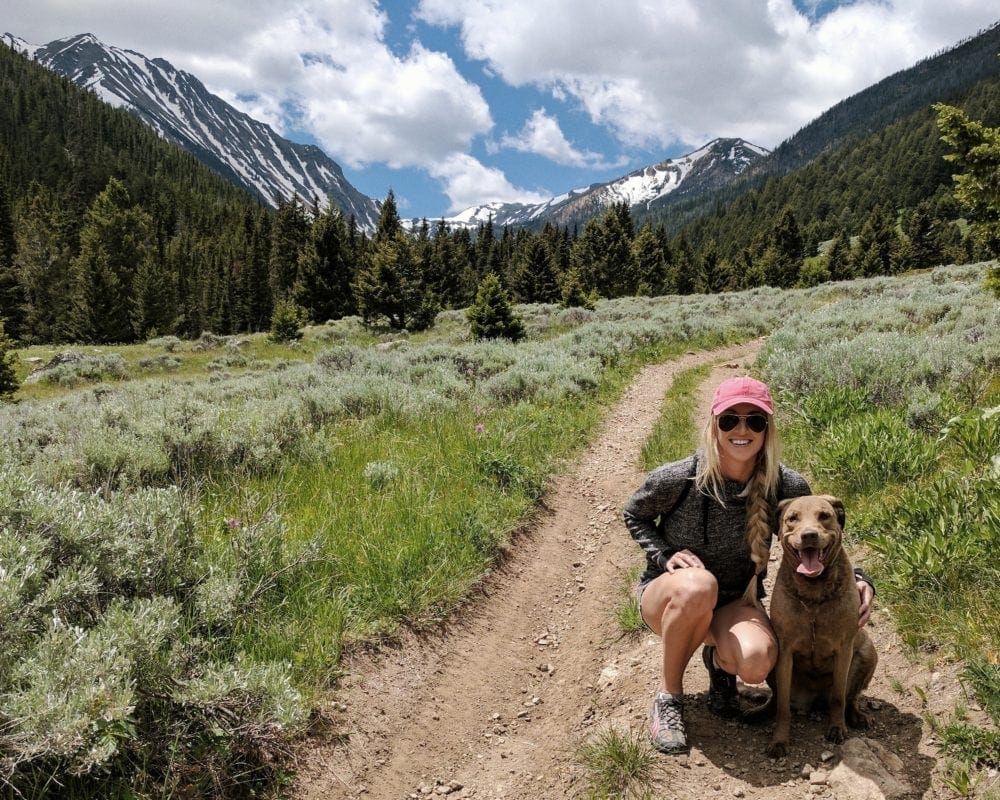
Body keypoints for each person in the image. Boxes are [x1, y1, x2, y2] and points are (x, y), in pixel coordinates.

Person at [622, 375, 875, 754]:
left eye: (755, 420)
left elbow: (818, 531)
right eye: (730, 420)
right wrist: (664, 555)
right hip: (673, 597)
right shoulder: (679, 477)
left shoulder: (786, 484)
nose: (743, 430)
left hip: (737, 602)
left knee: (757, 661)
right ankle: (669, 699)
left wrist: (860, 577)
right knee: (698, 586)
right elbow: (633, 514)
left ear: (767, 429)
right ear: (714, 424)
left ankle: (721, 666)